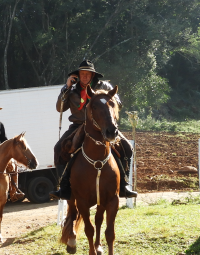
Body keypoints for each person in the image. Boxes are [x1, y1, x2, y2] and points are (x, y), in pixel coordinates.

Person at [50, 59, 137, 200]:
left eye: (87, 74)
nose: (84, 76)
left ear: (92, 75)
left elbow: (118, 105)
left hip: (102, 125)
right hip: (78, 124)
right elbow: (60, 108)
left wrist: (101, 95)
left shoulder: (105, 85)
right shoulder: (71, 89)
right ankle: (64, 187)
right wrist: (66, 87)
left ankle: (124, 184)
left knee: (127, 147)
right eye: (82, 74)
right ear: (77, 75)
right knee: (58, 148)